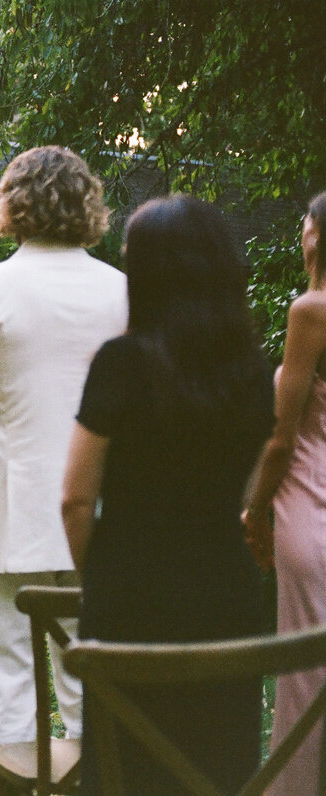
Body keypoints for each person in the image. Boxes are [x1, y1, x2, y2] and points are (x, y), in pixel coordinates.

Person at [63, 195, 273, 793]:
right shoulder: (256, 374)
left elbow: (75, 500)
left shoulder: (121, 363)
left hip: (130, 600)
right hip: (228, 598)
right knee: (218, 768)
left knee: (128, 771)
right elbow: (252, 490)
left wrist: (100, 576)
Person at [0, 145, 127, 793]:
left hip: (4, 517)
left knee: (6, 695)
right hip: (100, 520)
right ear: (88, 204)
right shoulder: (124, 292)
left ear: (11, 204)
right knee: (92, 687)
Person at [243, 190, 326, 795]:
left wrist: (254, 509)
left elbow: (281, 433)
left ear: (316, 236)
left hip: (309, 506)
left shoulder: (311, 311)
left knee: (306, 675)